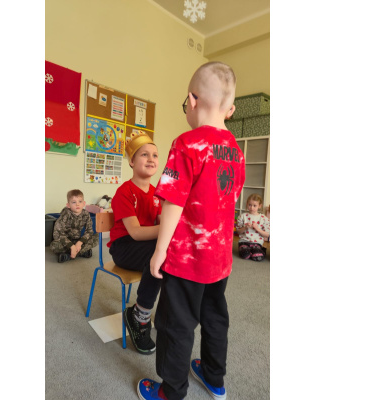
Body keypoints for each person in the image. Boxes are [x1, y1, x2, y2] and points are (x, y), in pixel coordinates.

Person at [138, 62, 245, 400]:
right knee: (215, 316)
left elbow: (173, 201)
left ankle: (171, 392)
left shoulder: (187, 143)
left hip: (186, 261)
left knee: (176, 324)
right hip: (219, 259)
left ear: (192, 100)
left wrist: (160, 251)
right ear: (230, 110)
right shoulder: (236, 151)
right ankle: (214, 378)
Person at [107, 133, 162, 355]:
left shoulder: (158, 193)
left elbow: (161, 223)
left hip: (146, 245)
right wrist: (169, 231)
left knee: (172, 253)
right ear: (131, 161)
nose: (151, 159)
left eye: (155, 155)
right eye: (144, 154)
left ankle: (164, 311)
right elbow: (137, 233)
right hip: (124, 247)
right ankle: (139, 315)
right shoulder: (124, 192)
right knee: (158, 257)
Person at [49, 189, 99, 263]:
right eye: (74, 202)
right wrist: (71, 246)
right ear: (68, 205)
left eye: (80, 201)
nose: (77, 204)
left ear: (84, 203)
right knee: (53, 246)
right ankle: (81, 252)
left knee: (97, 237)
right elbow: (57, 233)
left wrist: (79, 243)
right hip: (66, 241)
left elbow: (89, 231)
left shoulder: (86, 214)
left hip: (78, 240)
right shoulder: (65, 214)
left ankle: (69, 255)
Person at [236, 194, 270, 261]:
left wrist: (257, 228)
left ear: (259, 206)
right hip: (244, 241)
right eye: (250, 205)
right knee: (245, 255)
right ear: (247, 204)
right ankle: (249, 250)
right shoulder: (242, 216)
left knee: (258, 257)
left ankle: (260, 250)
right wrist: (245, 228)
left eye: (254, 206)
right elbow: (238, 231)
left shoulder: (263, 218)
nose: (251, 208)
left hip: (257, 243)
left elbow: (267, 234)